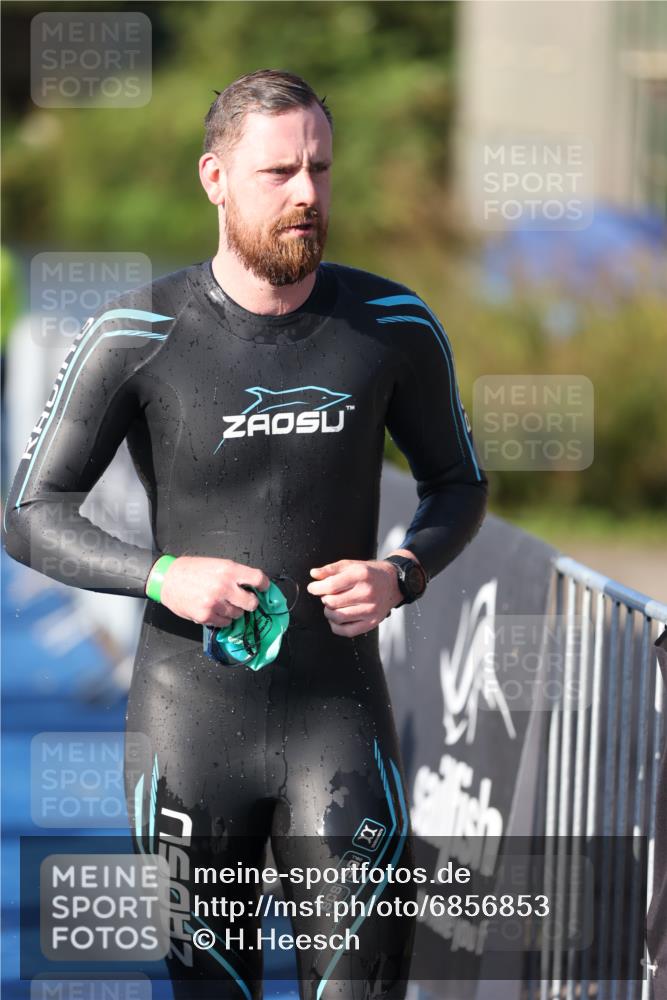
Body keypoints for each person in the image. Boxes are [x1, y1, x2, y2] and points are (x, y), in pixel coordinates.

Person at [2, 69, 488, 1000]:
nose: (307, 193)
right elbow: (30, 513)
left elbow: (456, 484)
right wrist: (162, 576)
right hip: (190, 729)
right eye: (279, 173)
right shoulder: (136, 332)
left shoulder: (390, 326)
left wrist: (403, 572)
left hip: (338, 723)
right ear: (214, 177)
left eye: (320, 169)